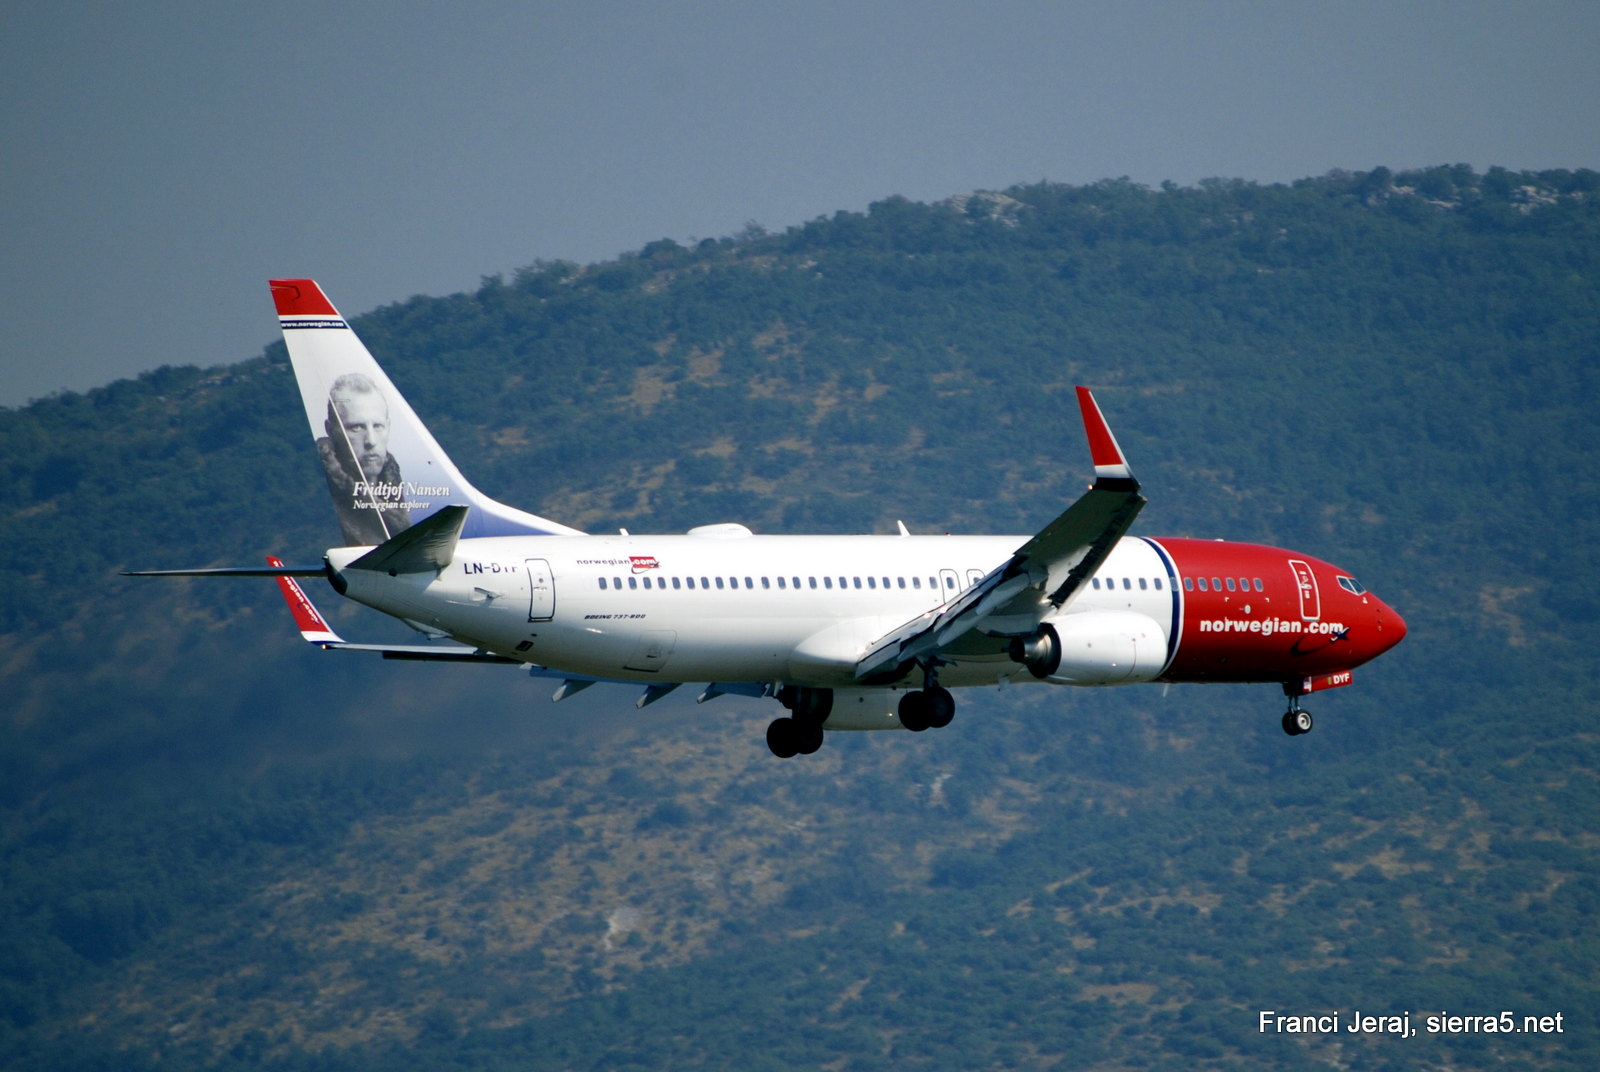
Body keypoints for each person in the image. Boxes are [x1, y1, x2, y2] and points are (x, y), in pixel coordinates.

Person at [316, 373, 412, 545]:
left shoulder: (398, 490)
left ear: (388, 427)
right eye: (357, 427)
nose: (371, 441)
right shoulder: (335, 503)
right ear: (330, 430)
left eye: (378, 426)